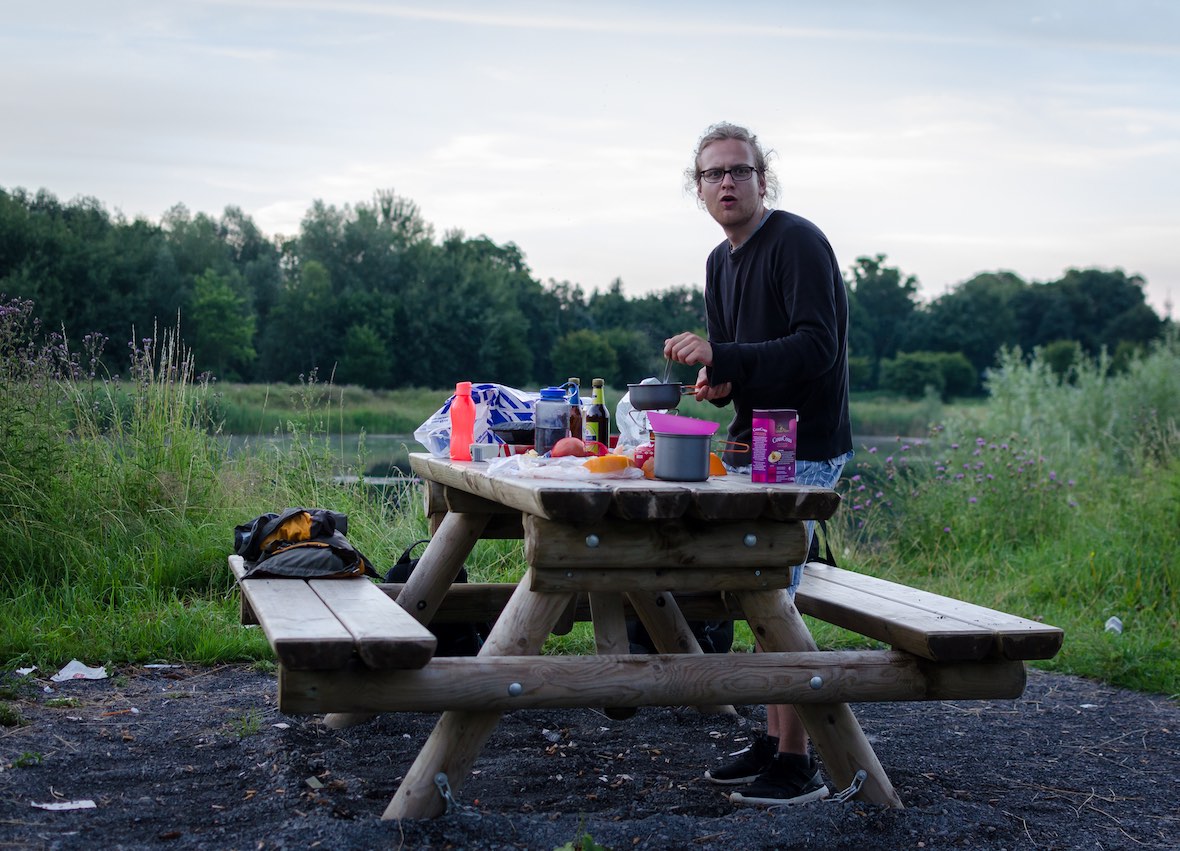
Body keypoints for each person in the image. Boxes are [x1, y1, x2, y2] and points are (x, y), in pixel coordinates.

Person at [664, 121, 853, 808]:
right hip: (758, 440)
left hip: (805, 445)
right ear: (699, 189)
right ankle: (775, 740)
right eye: (713, 174)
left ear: (761, 179)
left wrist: (727, 357)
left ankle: (800, 762)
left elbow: (815, 349)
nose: (726, 183)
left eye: (738, 171)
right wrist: (722, 384)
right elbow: (745, 358)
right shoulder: (721, 261)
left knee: (779, 593)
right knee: (759, 588)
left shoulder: (796, 241)